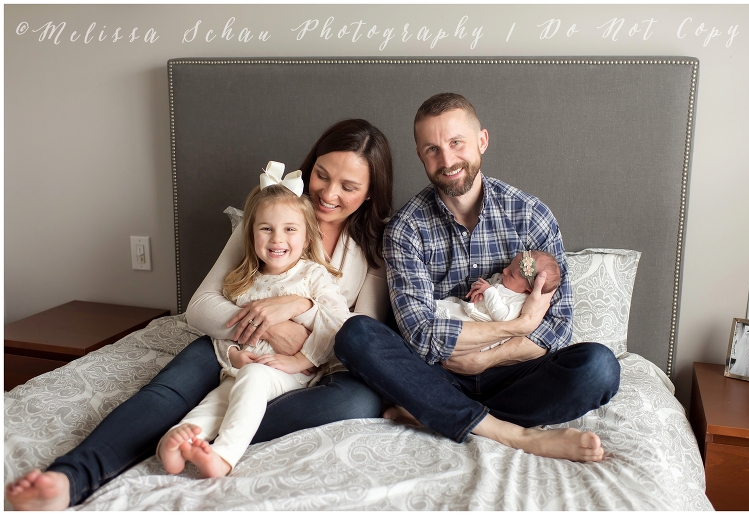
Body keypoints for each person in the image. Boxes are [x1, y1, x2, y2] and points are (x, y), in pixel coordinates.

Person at [6, 119, 394, 510]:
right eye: (321, 176)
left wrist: (302, 308)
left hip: (313, 364)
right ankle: (71, 477)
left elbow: (364, 337)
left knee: (358, 403)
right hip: (232, 341)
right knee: (165, 393)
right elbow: (201, 307)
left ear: (370, 193)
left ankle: (200, 434)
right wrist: (270, 324)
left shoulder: (375, 245)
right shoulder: (268, 210)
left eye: (348, 186)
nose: (328, 193)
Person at [334, 93, 621, 463]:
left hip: (515, 374)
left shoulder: (531, 216)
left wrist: (489, 358)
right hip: (436, 375)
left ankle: (440, 413)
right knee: (355, 334)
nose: (448, 160)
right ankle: (513, 433)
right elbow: (422, 336)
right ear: (420, 155)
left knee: (599, 367)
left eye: (457, 143)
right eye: (432, 149)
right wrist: (518, 325)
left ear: (481, 141)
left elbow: (558, 328)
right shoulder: (406, 228)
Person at [160, 172, 352, 478]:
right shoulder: (242, 282)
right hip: (242, 367)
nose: (277, 239)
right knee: (218, 399)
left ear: (306, 238)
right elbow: (227, 329)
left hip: (291, 373)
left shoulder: (313, 276)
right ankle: (182, 440)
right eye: (266, 229)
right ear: (250, 235)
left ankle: (223, 456)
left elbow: (338, 324)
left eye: (290, 229)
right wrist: (234, 354)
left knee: (251, 380)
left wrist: (301, 360)